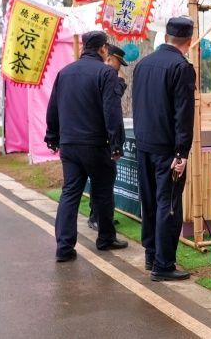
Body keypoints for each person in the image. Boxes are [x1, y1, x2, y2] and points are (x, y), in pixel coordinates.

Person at [45, 31, 128, 262]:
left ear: (84, 47)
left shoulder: (64, 72)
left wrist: (52, 135)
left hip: (69, 144)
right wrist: (116, 144)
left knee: (70, 193)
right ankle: (106, 238)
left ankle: (64, 247)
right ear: (103, 49)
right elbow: (112, 111)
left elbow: (53, 107)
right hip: (96, 143)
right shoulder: (106, 72)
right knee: (103, 191)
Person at [132, 17, 196, 281]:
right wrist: (182, 152)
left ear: (167, 37)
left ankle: (151, 254)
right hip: (167, 149)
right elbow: (183, 114)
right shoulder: (181, 67)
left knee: (149, 200)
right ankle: (163, 264)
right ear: (189, 41)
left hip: (144, 143)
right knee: (167, 203)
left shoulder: (143, 64)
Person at [88, 44, 129, 231]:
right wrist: (121, 82)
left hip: (96, 138)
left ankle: (100, 217)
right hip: (103, 139)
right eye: (119, 63)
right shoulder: (106, 75)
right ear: (110, 59)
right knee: (103, 182)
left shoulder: (97, 74)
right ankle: (99, 219)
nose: (119, 68)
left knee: (101, 182)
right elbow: (112, 101)